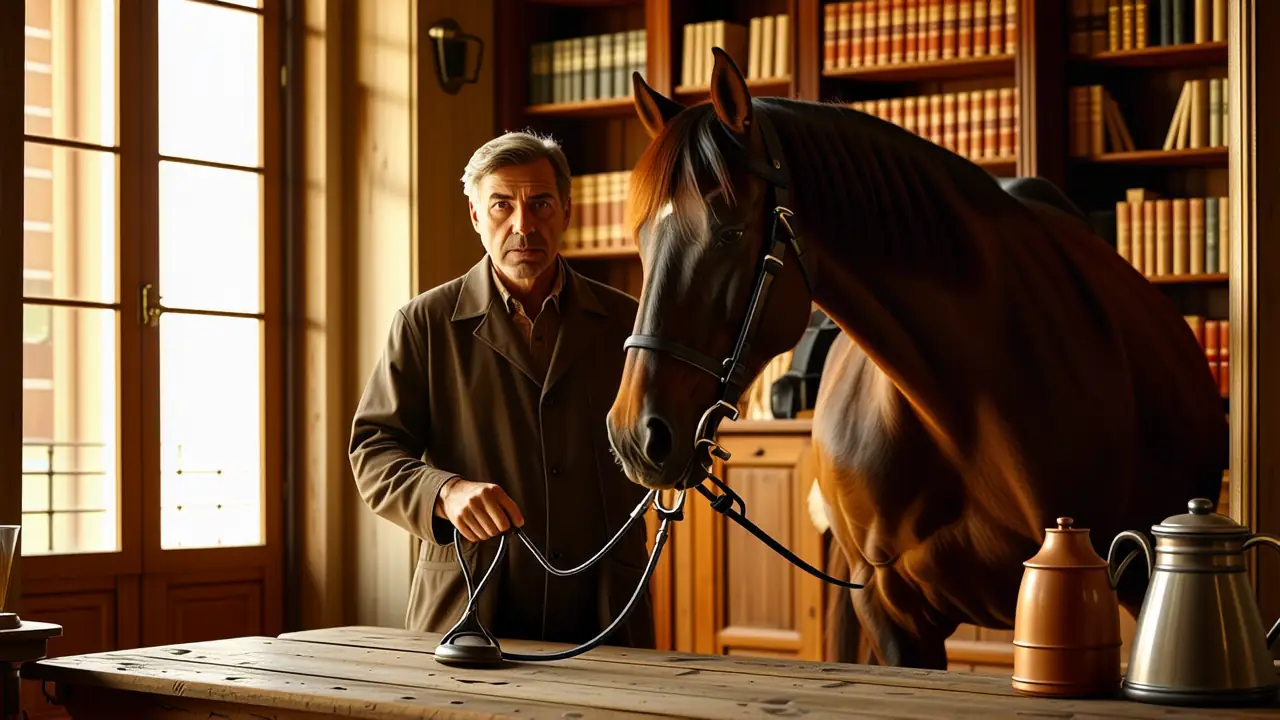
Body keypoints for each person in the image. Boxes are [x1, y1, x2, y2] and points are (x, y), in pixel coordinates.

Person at [348, 130, 655, 649]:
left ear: (566, 211)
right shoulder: (424, 323)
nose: (523, 225)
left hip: (604, 603)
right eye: (501, 206)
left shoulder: (629, 323)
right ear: (475, 216)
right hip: (471, 602)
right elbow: (372, 452)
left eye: (539, 204)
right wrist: (444, 492)